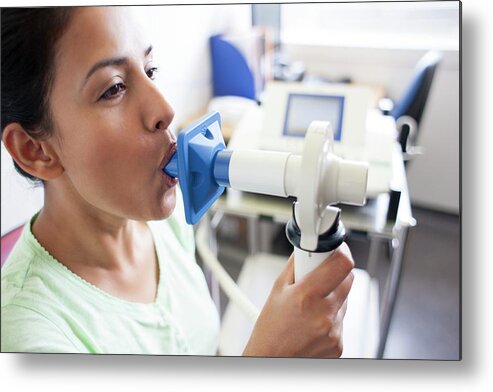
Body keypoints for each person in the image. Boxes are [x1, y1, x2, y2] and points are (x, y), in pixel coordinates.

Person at [1, 6, 354, 357]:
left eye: (150, 70)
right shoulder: (28, 338)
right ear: (34, 150)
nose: (166, 109)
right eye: (114, 89)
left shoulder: (167, 220)